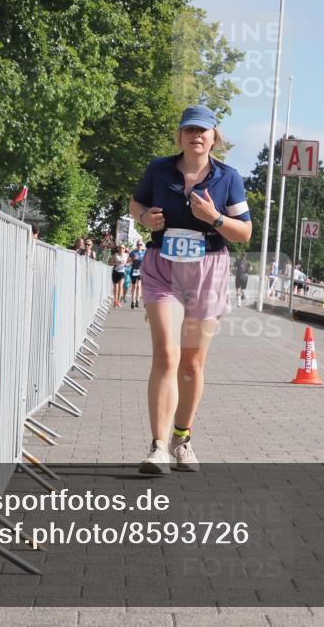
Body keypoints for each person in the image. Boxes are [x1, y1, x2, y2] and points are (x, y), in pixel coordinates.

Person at [129, 104, 252, 474]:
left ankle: (182, 438)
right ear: (179, 135)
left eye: (204, 131)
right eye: (189, 130)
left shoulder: (228, 178)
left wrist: (213, 218)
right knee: (166, 354)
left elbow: (244, 233)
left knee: (192, 362)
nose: (196, 136)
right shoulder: (159, 170)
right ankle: (158, 446)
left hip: (207, 270)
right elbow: (136, 203)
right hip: (162, 269)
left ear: (215, 137)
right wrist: (143, 217)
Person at [129, 241, 146, 309]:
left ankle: (137, 301)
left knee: (139, 285)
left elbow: (147, 261)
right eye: (138, 244)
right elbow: (128, 260)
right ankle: (132, 300)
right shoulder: (133, 252)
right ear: (136, 245)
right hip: (134, 270)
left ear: (142, 246)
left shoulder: (144, 253)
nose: (139, 246)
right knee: (134, 286)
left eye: (140, 245)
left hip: (141, 271)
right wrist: (133, 259)